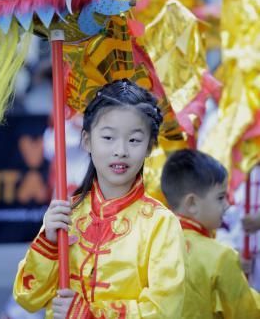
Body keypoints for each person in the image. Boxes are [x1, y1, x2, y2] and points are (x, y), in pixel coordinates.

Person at [13, 79, 185, 318]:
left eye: (134, 140)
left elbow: (166, 310)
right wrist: (49, 245)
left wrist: (90, 314)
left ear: (149, 147)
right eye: (108, 137)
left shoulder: (160, 224)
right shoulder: (66, 214)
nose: (121, 150)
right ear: (86, 140)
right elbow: (28, 298)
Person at [161, 149, 260, 319]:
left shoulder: (151, 243)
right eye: (220, 197)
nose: (227, 205)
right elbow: (247, 313)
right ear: (192, 203)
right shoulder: (221, 257)